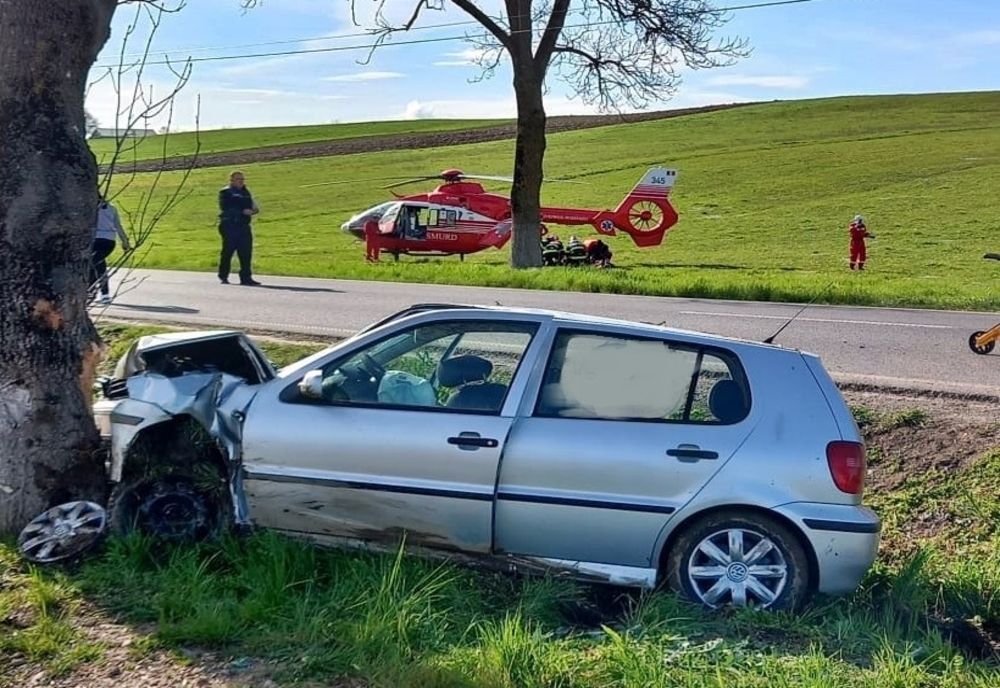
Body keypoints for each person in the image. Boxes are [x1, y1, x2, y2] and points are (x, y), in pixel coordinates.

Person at [218, 170, 261, 285]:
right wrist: (242, 211)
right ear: (231, 180)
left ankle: (246, 277)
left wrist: (254, 210)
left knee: (246, 252)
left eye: (242, 179)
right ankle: (223, 275)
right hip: (229, 225)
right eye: (238, 179)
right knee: (228, 251)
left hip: (243, 225)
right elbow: (225, 207)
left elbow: (253, 205)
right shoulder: (225, 192)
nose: (241, 181)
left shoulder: (246, 192)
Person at [91, 196, 132, 305]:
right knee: (98, 265)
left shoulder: (92, 209)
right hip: (109, 241)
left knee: (95, 265)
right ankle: (102, 293)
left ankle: (97, 292)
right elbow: (118, 226)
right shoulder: (111, 208)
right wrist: (124, 241)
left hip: (96, 240)